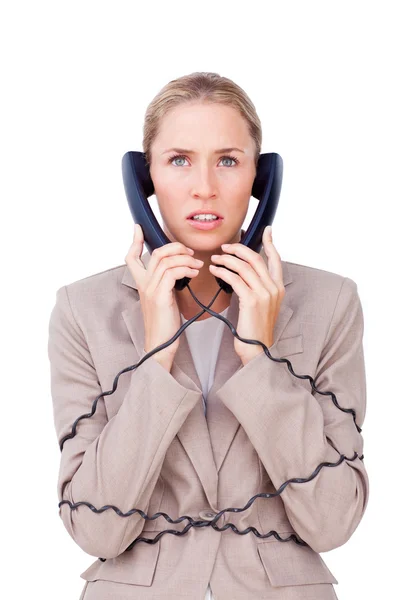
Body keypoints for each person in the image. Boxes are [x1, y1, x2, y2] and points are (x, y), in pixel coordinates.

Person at [48, 72, 369, 600]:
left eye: (227, 160)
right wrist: (156, 358)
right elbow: (96, 528)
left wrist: (260, 361)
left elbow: (333, 522)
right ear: (143, 177)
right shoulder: (82, 310)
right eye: (178, 160)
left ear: (260, 178)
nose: (204, 186)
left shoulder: (331, 302)